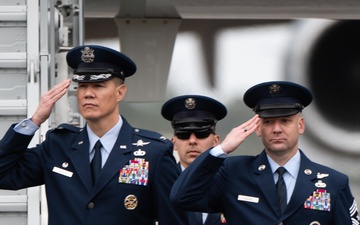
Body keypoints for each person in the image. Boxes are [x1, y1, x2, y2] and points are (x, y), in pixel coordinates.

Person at [0, 45, 187, 225]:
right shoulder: (58, 145)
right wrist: (34, 122)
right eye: (82, 86)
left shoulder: (154, 152)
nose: (88, 94)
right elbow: (3, 175)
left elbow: (173, 220)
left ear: (120, 92)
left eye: (98, 86)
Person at [170, 81, 360, 225]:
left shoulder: (333, 183)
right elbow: (182, 197)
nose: (276, 129)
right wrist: (220, 150)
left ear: (300, 125)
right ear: (258, 128)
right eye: (268, 122)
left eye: (285, 121)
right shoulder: (233, 172)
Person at [161, 95, 228, 225]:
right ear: (173, 143)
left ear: (216, 141)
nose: (192, 141)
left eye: (201, 134)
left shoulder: (231, 181)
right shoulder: (161, 181)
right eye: (184, 135)